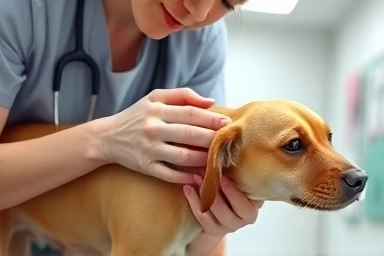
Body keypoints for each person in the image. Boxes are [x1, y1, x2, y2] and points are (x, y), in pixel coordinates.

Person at [0, 0, 262, 255]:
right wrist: (106, 140)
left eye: (227, 3)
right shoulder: (21, 8)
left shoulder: (203, 42)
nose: (199, 11)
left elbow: (202, 239)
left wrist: (209, 231)